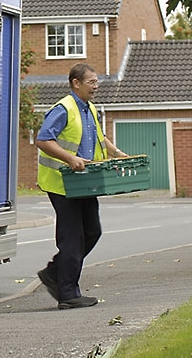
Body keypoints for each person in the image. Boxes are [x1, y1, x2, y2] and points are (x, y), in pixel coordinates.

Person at [35, 63, 127, 309]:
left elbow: (100, 137)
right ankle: (67, 293)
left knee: (92, 232)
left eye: (96, 82)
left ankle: (55, 272)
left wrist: (117, 153)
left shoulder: (89, 109)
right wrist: (70, 158)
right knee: (72, 239)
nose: (96, 87)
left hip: (86, 183)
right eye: (92, 82)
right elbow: (43, 139)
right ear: (76, 83)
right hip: (62, 183)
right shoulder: (63, 108)